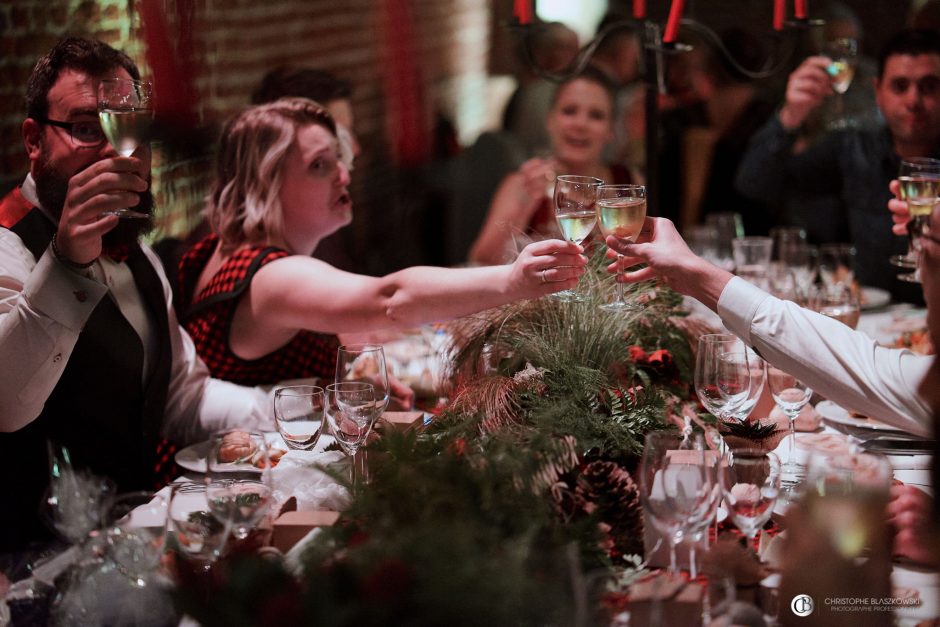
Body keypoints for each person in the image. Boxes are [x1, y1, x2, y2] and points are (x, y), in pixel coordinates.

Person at [0, 37, 271, 552]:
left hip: (133, 544)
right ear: (34, 141)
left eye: (129, 131)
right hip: (30, 568)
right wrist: (66, 260)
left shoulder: (138, 257)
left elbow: (181, 396)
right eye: (84, 128)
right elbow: (6, 405)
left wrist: (284, 413)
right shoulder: (6, 243)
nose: (112, 150)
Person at [177, 97, 586, 388]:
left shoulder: (225, 247)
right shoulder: (272, 275)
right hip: (231, 491)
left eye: (339, 159)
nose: (343, 174)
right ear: (267, 182)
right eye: (319, 165)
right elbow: (390, 299)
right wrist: (513, 280)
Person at [735, 29, 940, 304]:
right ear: (878, 91)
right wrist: (791, 115)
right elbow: (754, 184)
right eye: (900, 86)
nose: (913, 100)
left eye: (929, 86)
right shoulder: (853, 148)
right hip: (870, 321)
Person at [469, 67, 632, 265]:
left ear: (611, 130)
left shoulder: (627, 182)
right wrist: (524, 206)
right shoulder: (523, 182)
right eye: (569, 111)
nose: (581, 124)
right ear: (550, 120)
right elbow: (481, 262)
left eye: (596, 115)